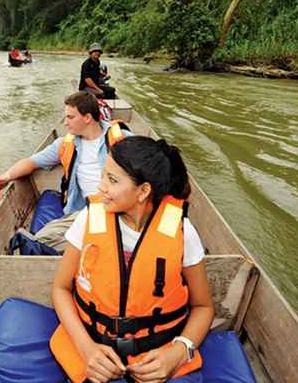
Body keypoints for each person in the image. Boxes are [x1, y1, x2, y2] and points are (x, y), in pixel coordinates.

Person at [50, 136, 215, 383]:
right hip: (91, 343)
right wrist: (87, 349)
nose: (101, 187)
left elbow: (204, 307)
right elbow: (60, 288)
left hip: (157, 352)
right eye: (103, 175)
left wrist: (179, 352)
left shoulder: (181, 231)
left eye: (112, 180)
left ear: (143, 191)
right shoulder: (89, 218)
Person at [0, 91, 133, 225]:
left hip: (120, 209)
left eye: (70, 117)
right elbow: (31, 162)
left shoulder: (123, 139)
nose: (65, 122)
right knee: (44, 239)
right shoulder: (65, 144)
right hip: (83, 211)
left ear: (87, 118)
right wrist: (7, 175)